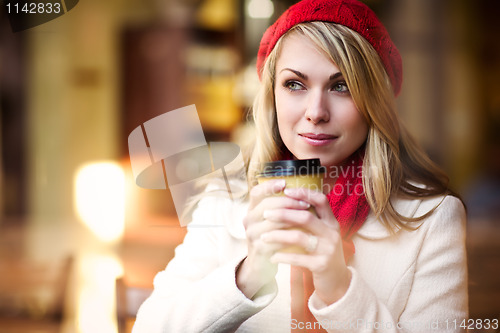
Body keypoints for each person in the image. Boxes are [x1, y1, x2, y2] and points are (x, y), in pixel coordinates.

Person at [132, 0, 468, 332]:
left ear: (374, 102)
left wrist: (338, 289)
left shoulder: (434, 218)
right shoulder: (225, 200)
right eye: (295, 84)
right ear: (272, 95)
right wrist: (248, 275)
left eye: (342, 86)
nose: (316, 111)